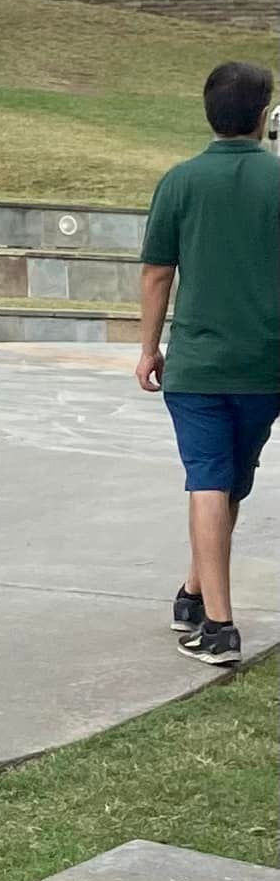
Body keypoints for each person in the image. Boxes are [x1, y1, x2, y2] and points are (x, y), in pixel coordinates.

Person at [136, 61, 280, 665]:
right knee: (222, 480)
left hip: (198, 365)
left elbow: (157, 273)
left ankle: (207, 611)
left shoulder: (180, 181)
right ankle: (206, 607)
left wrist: (148, 348)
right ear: (264, 113)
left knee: (216, 482)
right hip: (266, 366)